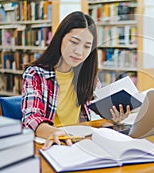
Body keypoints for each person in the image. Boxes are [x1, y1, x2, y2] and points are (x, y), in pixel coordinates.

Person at [21, 11, 130, 150]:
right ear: (60, 38)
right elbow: (30, 118)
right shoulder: (36, 74)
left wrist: (112, 119)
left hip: (81, 144)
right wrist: (54, 132)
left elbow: (92, 119)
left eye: (86, 46)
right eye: (74, 42)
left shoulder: (89, 78)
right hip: (52, 144)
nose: (79, 51)